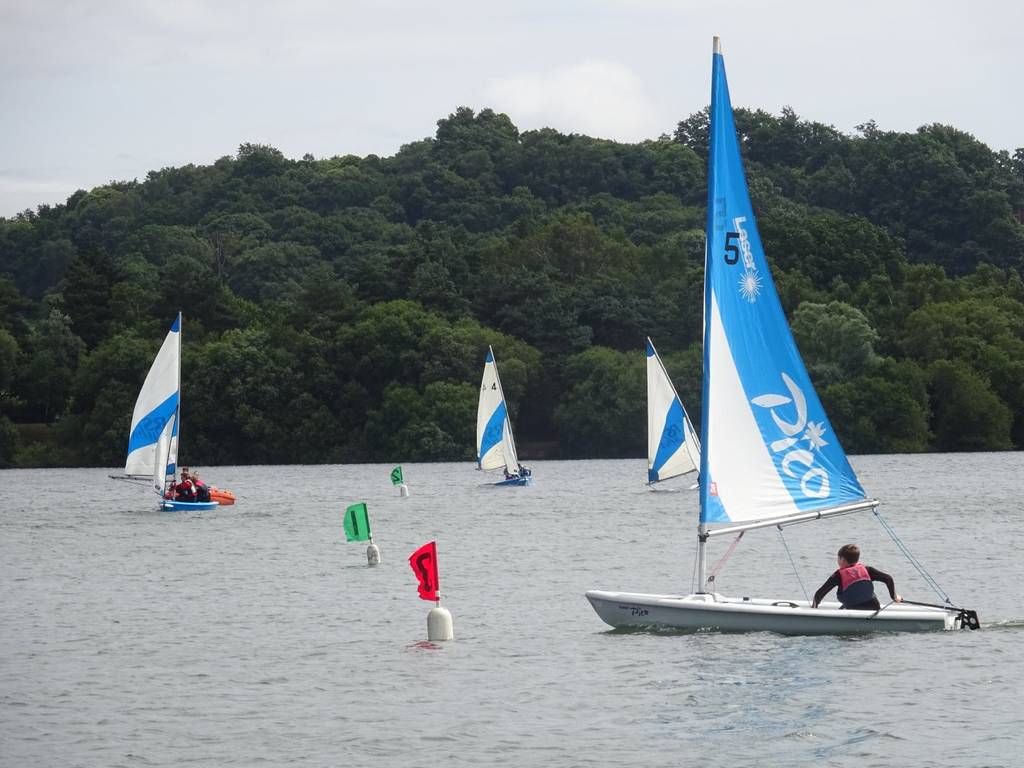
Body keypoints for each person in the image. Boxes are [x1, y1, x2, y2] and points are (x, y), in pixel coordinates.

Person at [811, 544, 902, 611]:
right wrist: (894, 597)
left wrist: (814, 609)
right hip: (873, 607)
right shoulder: (867, 570)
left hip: (853, 608)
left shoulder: (838, 575)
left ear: (842, 559)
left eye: (838, 558)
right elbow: (888, 579)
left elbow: (820, 593)